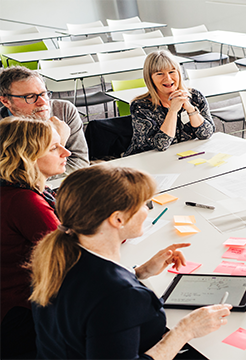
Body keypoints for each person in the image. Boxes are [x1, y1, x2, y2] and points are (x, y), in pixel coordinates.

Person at [29, 165, 232, 359]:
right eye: (144, 204)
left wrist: (139, 273)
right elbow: (109, 300)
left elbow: (89, 297)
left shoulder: (56, 258)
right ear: (118, 220)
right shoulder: (119, 296)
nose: (147, 210)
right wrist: (185, 331)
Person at [0, 117, 70, 357]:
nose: (66, 152)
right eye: (54, 148)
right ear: (25, 156)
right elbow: (73, 253)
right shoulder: (24, 202)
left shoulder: (16, 189)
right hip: (23, 315)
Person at [0, 66, 89, 177]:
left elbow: (81, 163)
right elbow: (10, 176)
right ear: (6, 101)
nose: (42, 102)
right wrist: (59, 141)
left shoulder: (64, 110)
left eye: (43, 94)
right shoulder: (3, 128)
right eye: (30, 96)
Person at [125, 50, 215, 155]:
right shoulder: (140, 106)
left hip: (182, 156)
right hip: (149, 161)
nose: (168, 78)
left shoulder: (195, 96)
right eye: (160, 74)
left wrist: (190, 109)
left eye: (172, 72)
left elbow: (206, 133)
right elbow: (161, 145)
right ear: (150, 78)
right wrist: (172, 111)